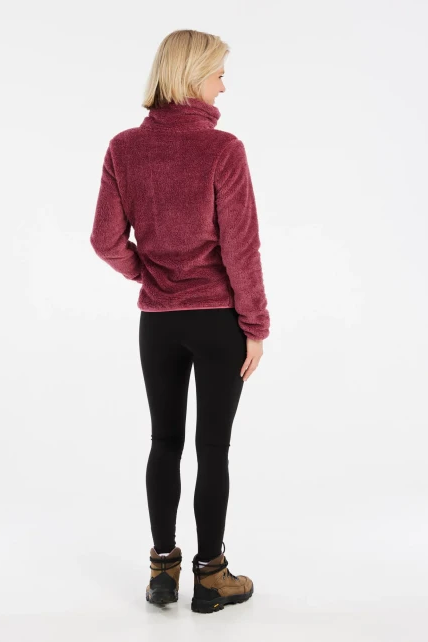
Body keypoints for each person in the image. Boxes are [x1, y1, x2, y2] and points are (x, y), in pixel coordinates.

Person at [90, 29, 270, 613]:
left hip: (158, 325)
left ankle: (162, 571)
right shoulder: (223, 149)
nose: (224, 86)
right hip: (218, 322)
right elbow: (241, 249)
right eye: (219, 74)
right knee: (212, 449)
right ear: (194, 77)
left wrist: (147, 273)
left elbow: (105, 240)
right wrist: (256, 325)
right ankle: (211, 579)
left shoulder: (124, 148)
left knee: (163, 441)